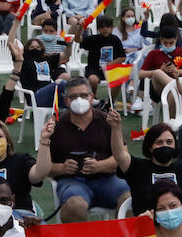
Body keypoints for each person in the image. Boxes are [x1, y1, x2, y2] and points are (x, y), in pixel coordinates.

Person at [50, 79, 130, 222]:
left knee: (130, 200)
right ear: (66, 101)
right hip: (72, 182)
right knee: (75, 205)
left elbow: (123, 156)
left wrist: (100, 166)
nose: (79, 100)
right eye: (73, 97)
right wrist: (62, 168)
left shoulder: (107, 121)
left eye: (83, 95)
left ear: (92, 98)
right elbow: (44, 167)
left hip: (108, 179)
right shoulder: (56, 126)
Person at [114, 117, 182, 215]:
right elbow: (119, 155)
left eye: (169, 142)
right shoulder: (137, 168)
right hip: (147, 232)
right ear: (150, 147)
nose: (165, 145)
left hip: (181, 231)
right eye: (159, 142)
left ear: (175, 146)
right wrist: (116, 127)